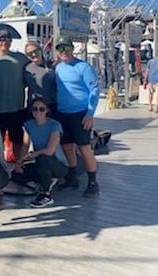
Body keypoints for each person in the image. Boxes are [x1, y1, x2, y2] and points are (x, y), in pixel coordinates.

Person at [54, 36, 100, 198]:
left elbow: (94, 91)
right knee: (66, 147)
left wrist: (90, 114)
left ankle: (93, 182)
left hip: (80, 115)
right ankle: (72, 177)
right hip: (62, 114)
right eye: (60, 48)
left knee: (84, 148)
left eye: (66, 47)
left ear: (72, 49)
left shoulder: (84, 67)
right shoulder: (58, 68)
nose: (63, 51)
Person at [11, 97, 67, 208]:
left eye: (41, 109)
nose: (38, 112)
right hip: (40, 162)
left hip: (58, 165)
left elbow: (49, 151)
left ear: (47, 110)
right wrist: (19, 163)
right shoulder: (28, 125)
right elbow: (25, 145)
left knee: (43, 157)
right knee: (16, 175)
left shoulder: (55, 125)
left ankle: (46, 194)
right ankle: (46, 180)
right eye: (35, 109)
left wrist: (33, 155)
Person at [0, 29, 31, 162]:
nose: (4, 42)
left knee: (17, 138)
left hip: (16, 107)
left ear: (11, 42)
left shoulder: (21, 58)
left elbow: (36, 68)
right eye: (1, 39)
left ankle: (18, 166)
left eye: (6, 39)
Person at [24, 41, 58, 118]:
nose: (33, 54)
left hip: (51, 106)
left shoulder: (52, 64)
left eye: (36, 51)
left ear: (40, 50)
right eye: (29, 53)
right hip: (34, 108)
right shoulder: (26, 68)